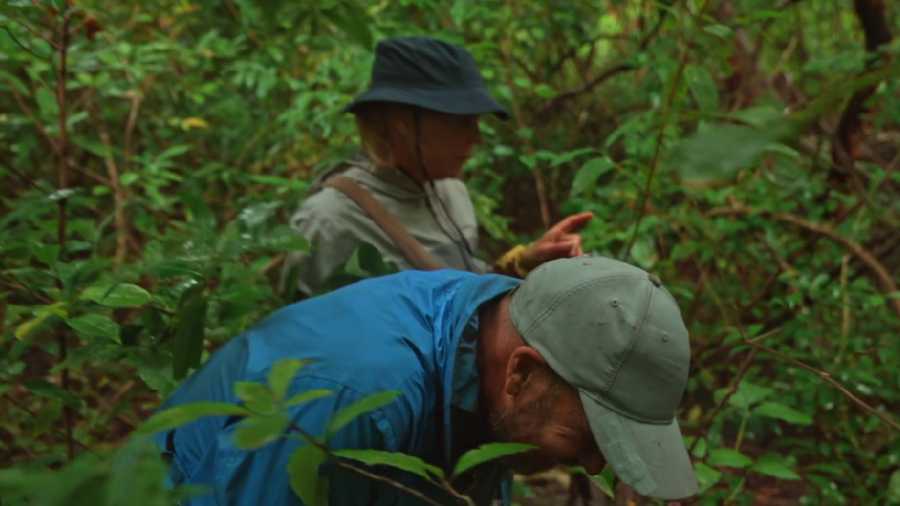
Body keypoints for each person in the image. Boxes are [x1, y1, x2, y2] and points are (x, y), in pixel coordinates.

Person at [154, 256, 699, 505]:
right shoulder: (352, 402)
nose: (596, 465)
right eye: (588, 437)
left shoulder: (497, 322)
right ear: (522, 371)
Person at [280, 36, 593, 296]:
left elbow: (463, 287)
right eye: (461, 122)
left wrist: (523, 261)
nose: (476, 138)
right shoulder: (327, 222)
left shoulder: (451, 193)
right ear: (403, 124)